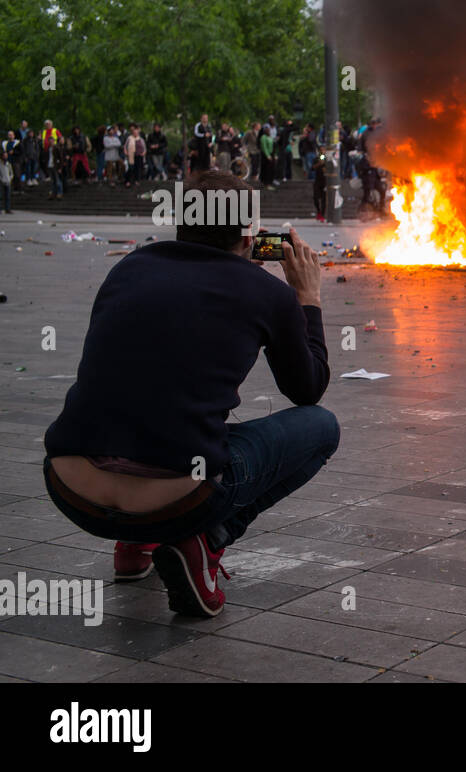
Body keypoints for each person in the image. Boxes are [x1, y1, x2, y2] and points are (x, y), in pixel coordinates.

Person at [43, 171, 337, 618]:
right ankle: (203, 543)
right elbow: (308, 388)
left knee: (145, 404)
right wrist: (307, 298)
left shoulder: (130, 267)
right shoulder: (269, 293)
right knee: (321, 427)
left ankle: (135, 547)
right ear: (247, 235)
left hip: (71, 489)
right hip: (178, 499)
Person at [0, 132, 13, 213]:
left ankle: (7, 209)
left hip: (8, 181)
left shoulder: (8, 164)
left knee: (8, 196)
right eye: (4, 156)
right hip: (1, 181)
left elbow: (11, 173)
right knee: (1, 196)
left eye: (6, 156)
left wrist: (10, 178)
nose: (5, 157)